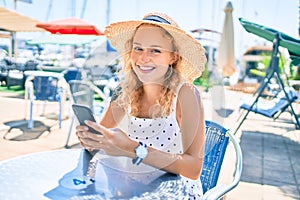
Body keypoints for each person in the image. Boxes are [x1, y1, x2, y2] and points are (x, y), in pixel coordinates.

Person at [76, 12, 207, 199]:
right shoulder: (125, 90)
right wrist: (92, 138)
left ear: (173, 57)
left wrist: (133, 148)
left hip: (175, 190)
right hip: (131, 185)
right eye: (138, 48)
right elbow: (101, 139)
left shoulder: (185, 94)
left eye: (155, 50)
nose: (143, 58)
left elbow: (193, 168)